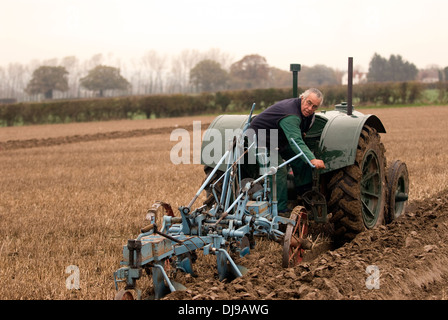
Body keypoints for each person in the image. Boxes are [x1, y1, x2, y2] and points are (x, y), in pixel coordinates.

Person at [248, 88, 326, 213]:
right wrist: (312, 158)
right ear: (302, 99)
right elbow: (296, 141)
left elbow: (301, 134)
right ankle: (279, 209)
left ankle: (304, 195)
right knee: (279, 170)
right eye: (308, 103)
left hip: (278, 139)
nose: (310, 108)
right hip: (261, 138)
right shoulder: (291, 115)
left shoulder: (309, 116)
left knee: (302, 160)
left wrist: (308, 159)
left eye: (314, 107)